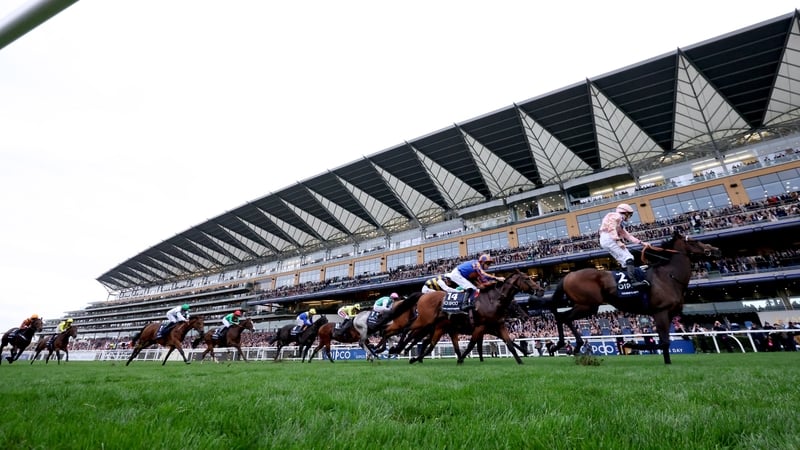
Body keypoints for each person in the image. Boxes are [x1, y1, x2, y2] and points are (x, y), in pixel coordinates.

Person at [599, 203, 651, 289]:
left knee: (624, 262)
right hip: (609, 238)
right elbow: (611, 228)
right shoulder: (617, 216)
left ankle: (626, 281)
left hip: (606, 240)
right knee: (628, 257)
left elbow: (627, 235)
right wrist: (617, 240)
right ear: (625, 213)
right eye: (629, 215)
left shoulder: (620, 223)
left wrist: (642, 243)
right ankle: (633, 282)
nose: (629, 217)